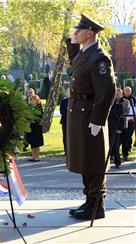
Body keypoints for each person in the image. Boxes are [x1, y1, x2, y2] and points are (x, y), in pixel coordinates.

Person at [66, 14, 116, 220]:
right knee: (85, 158)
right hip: (79, 112)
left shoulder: (99, 57)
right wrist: (72, 41)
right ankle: (89, 201)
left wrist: (97, 120)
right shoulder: (84, 54)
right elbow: (75, 63)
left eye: (79, 30)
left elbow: (108, 91)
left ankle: (97, 205)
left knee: (94, 160)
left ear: (90, 33)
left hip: (89, 114)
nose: (75, 32)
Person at [108, 88, 129, 169]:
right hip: (107, 129)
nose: (117, 95)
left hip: (116, 128)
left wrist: (120, 128)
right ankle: (106, 163)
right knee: (107, 146)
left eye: (118, 93)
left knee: (116, 147)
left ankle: (117, 162)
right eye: (115, 93)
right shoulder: (108, 104)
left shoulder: (119, 105)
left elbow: (121, 118)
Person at [25, 94, 44, 161]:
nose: (31, 101)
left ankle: (37, 157)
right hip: (30, 127)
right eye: (31, 100)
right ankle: (33, 157)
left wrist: (33, 118)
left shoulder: (39, 107)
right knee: (32, 143)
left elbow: (40, 116)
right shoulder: (30, 107)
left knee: (36, 143)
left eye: (32, 100)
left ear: (36, 100)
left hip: (37, 127)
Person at [121, 86, 136, 161]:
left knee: (128, 137)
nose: (127, 92)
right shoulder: (121, 98)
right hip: (123, 121)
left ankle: (126, 153)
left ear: (131, 92)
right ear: (123, 91)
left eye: (128, 91)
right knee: (123, 138)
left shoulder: (133, 99)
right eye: (126, 91)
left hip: (131, 122)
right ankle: (123, 154)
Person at [60, 88, 70, 155]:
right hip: (65, 121)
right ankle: (66, 151)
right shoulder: (63, 101)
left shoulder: (75, 100)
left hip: (74, 122)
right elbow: (62, 111)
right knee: (65, 136)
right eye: (67, 92)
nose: (69, 93)